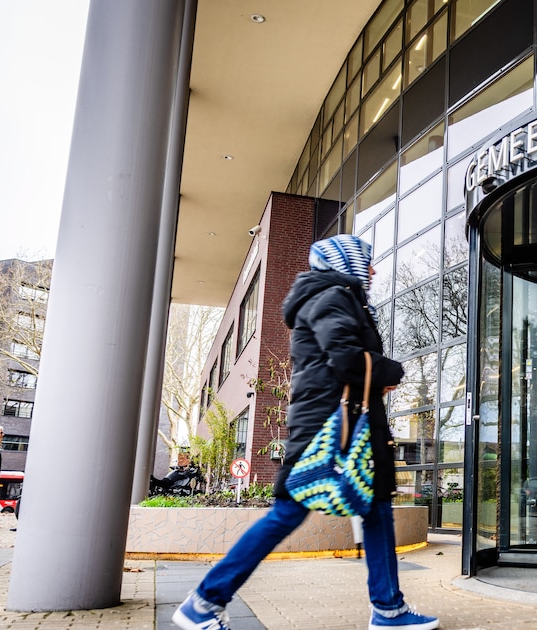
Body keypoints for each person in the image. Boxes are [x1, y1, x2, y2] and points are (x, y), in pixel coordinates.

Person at [174, 235, 438, 630]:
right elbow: (346, 358)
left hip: (339, 424)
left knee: (376, 511)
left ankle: (388, 609)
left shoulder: (336, 297)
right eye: (366, 261)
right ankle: (205, 601)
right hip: (328, 430)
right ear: (346, 263)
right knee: (286, 515)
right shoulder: (333, 296)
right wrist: (390, 371)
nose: (374, 269)